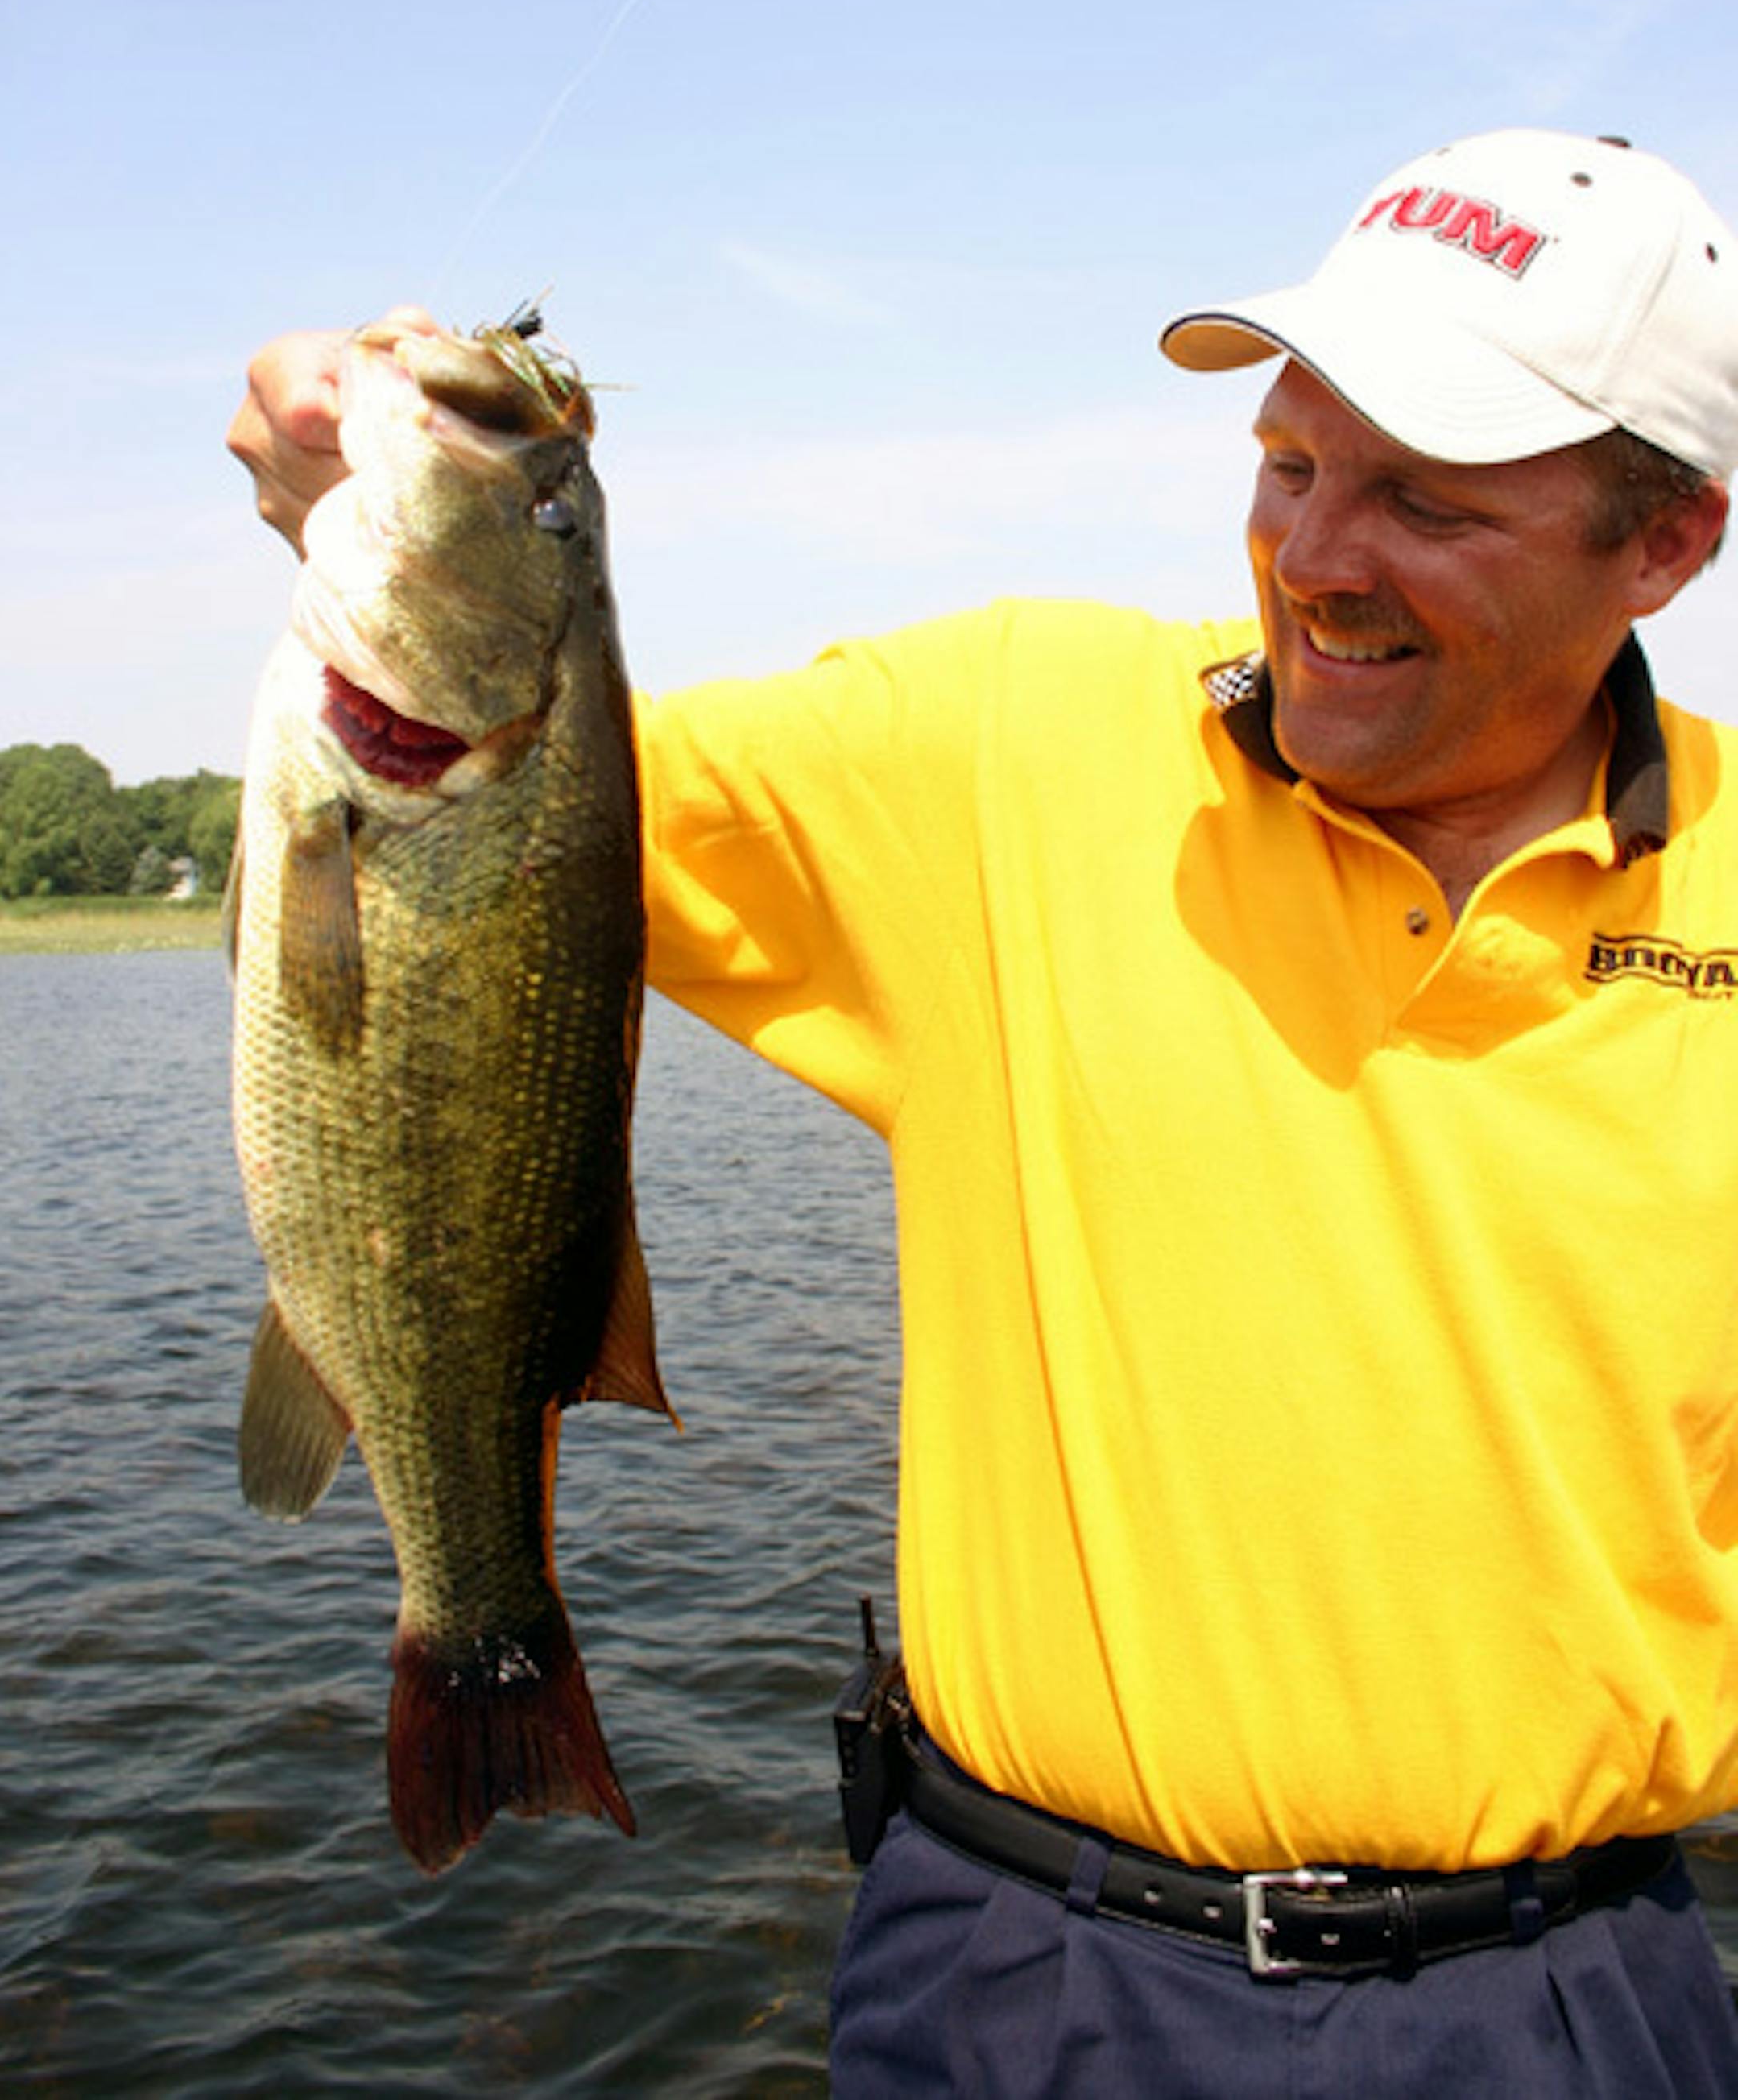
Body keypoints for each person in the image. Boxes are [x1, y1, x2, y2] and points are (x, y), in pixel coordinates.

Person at [230, 128, 1738, 2095]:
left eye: (1429, 503)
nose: (1318, 555)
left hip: (1560, 2001)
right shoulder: (1009, 744)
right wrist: (359, 482)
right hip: (1021, 1975)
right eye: (1287, 466)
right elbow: (501, 810)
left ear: (1665, 544)